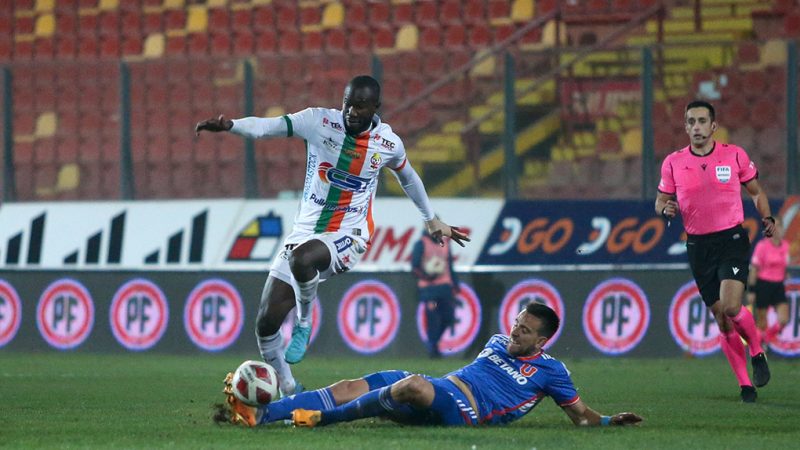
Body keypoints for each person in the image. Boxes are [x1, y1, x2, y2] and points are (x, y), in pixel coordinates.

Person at [196, 75, 470, 396]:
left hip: (350, 234)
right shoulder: (318, 122)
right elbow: (268, 127)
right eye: (347, 103)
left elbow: (407, 177)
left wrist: (431, 218)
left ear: (375, 108)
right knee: (266, 323)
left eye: (360, 106)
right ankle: (289, 388)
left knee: (303, 258)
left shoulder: (387, 143)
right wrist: (232, 126)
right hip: (305, 231)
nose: (351, 111)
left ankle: (304, 322)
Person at [217, 303, 643, 428]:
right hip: (447, 386)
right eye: (516, 323)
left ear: (543, 340)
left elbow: (579, 416)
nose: (515, 333)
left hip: (465, 411)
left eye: (526, 331)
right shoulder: (497, 341)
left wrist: (607, 422)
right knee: (359, 382)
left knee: (413, 387)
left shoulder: (553, 372)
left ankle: (317, 420)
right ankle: (261, 413)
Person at [655, 100, 776, 403]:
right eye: (690, 122)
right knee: (722, 318)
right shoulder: (673, 162)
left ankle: (757, 350)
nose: (696, 127)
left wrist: (767, 217)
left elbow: (756, 191)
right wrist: (665, 208)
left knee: (733, 306)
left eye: (701, 121)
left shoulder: (734, 155)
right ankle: (745, 385)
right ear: (685, 127)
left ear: (713, 126)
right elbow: (660, 200)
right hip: (698, 245)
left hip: (731, 239)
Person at [411, 227, 460, 358]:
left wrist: (455, 284)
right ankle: (433, 348)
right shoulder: (421, 244)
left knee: (449, 317)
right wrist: (427, 276)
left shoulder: (445, 243)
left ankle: (434, 342)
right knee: (433, 318)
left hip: (445, 286)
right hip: (429, 289)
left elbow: (449, 265)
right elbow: (415, 266)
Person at [747, 216, 790, 348]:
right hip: (763, 284)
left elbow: (785, 266)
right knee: (762, 322)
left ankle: (764, 338)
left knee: (783, 319)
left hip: (778, 286)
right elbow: (754, 269)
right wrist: (752, 290)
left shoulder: (786, 246)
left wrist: (785, 276)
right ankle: (759, 350)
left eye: (779, 226)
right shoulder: (762, 246)